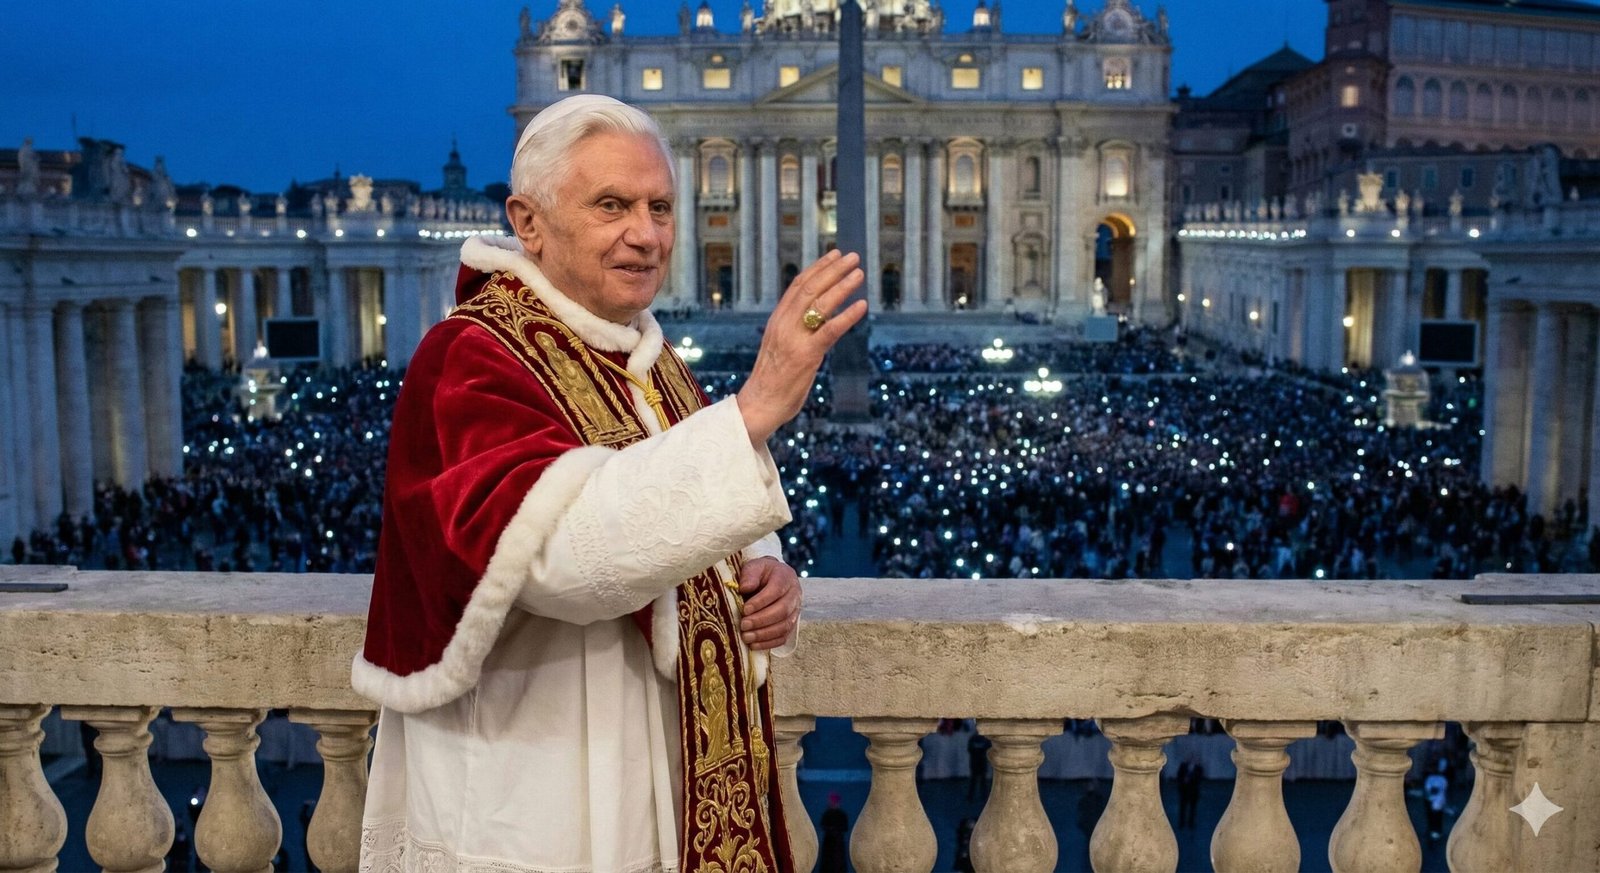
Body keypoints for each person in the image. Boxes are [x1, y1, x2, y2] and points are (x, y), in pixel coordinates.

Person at [352, 94, 866, 872]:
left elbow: (698, 503)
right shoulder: (470, 359)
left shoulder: (644, 355)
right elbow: (555, 556)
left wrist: (764, 573)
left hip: (656, 782)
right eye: (612, 205)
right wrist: (756, 406)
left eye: (660, 207)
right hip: (532, 795)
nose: (647, 233)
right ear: (528, 221)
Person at [818, 792, 850, 873]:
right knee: (831, 863)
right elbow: (823, 825)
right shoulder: (828, 814)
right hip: (831, 843)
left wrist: (833, 830)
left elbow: (845, 827)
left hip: (836, 843)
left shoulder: (839, 814)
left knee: (836, 863)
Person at [1176, 756, 1204, 829]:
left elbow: (1199, 778)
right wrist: (1183, 781)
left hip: (1193, 792)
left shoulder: (1199, 768)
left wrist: (1190, 779)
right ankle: (1181, 823)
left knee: (1192, 809)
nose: (1192, 759)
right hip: (1184, 791)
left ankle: (1191, 823)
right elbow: (1178, 776)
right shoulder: (1183, 766)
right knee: (1182, 808)